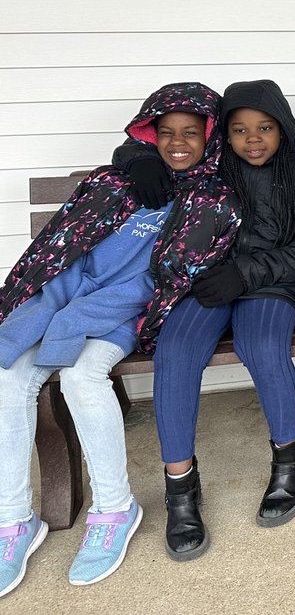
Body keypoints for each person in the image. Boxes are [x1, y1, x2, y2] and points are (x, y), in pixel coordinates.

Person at [0, 83, 239, 596]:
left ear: (210, 137)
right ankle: (13, 520)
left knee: (82, 376)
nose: (178, 143)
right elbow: (63, 249)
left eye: (191, 133)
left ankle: (114, 509)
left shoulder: (212, 199)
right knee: (9, 375)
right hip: (65, 304)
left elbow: (163, 281)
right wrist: (47, 311)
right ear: (148, 134)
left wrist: (75, 319)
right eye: (166, 132)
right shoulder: (115, 181)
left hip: (121, 317)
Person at [117, 80, 295, 558]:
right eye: (239, 129)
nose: (252, 139)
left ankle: (289, 460)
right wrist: (140, 160)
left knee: (262, 346)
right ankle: (180, 487)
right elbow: (155, 146)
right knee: (174, 353)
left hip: (272, 284)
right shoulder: (212, 166)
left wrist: (247, 273)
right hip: (209, 282)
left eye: (265, 128)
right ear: (224, 134)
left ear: (284, 129)